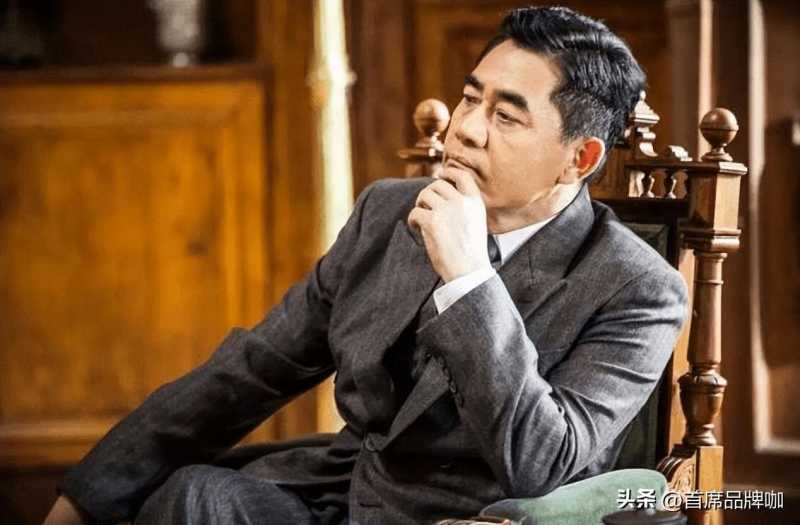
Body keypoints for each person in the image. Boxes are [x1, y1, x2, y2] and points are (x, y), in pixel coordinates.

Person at [44, 6, 687, 525]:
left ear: (578, 159)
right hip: (342, 493)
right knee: (191, 498)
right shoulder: (388, 212)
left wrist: (469, 279)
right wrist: (85, 498)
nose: (466, 128)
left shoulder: (639, 288)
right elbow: (252, 370)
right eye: (470, 99)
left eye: (506, 116)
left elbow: (542, 461)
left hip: (472, 517)